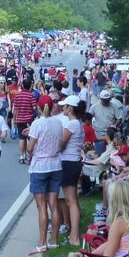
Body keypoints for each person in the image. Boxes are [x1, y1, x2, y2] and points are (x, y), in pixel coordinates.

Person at [27, 97, 64, 255]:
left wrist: (30, 153)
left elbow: (30, 147)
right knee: (53, 205)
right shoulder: (58, 123)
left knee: (41, 206)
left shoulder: (37, 123)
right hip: (55, 165)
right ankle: (54, 240)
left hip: (40, 166)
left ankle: (42, 244)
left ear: (39, 107)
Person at [57, 95, 87, 246]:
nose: (62, 108)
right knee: (72, 198)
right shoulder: (78, 123)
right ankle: (74, 233)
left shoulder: (72, 124)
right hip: (73, 162)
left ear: (70, 108)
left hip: (68, 163)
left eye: (65, 106)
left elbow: (61, 145)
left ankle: (74, 236)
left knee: (71, 200)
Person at [88, 90, 122, 156]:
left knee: (111, 154)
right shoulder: (94, 107)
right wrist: (91, 128)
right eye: (104, 100)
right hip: (98, 134)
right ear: (100, 99)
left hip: (110, 134)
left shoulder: (114, 106)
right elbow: (88, 118)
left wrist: (114, 124)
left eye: (107, 100)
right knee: (99, 153)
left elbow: (119, 118)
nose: (106, 102)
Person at [13, 79, 37, 164]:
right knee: (29, 138)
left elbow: (15, 109)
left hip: (19, 119)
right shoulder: (31, 95)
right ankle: (28, 155)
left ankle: (21, 156)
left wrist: (14, 119)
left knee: (21, 138)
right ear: (30, 86)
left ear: (22, 85)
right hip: (29, 120)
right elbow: (34, 107)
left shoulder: (18, 95)